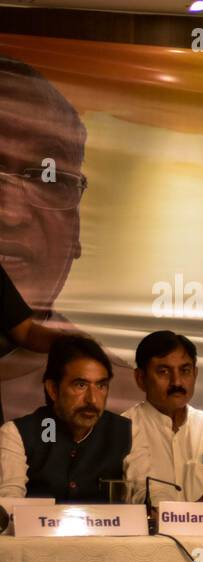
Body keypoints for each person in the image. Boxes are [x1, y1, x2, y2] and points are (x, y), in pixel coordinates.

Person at [0, 57, 92, 423]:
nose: (10, 214)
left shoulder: (120, 399)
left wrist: (71, 345)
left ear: (77, 231)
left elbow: (23, 330)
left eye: (47, 177)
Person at [0, 335, 148, 501]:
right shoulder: (17, 434)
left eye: (101, 386)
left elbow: (146, 491)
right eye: (81, 385)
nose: (92, 399)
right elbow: (9, 501)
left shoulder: (128, 432)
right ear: (53, 389)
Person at [123, 330, 203, 503]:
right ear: (140, 378)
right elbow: (146, 494)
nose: (176, 382)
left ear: (195, 374)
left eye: (185, 370)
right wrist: (196, 514)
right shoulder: (125, 427)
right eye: (164, 371)